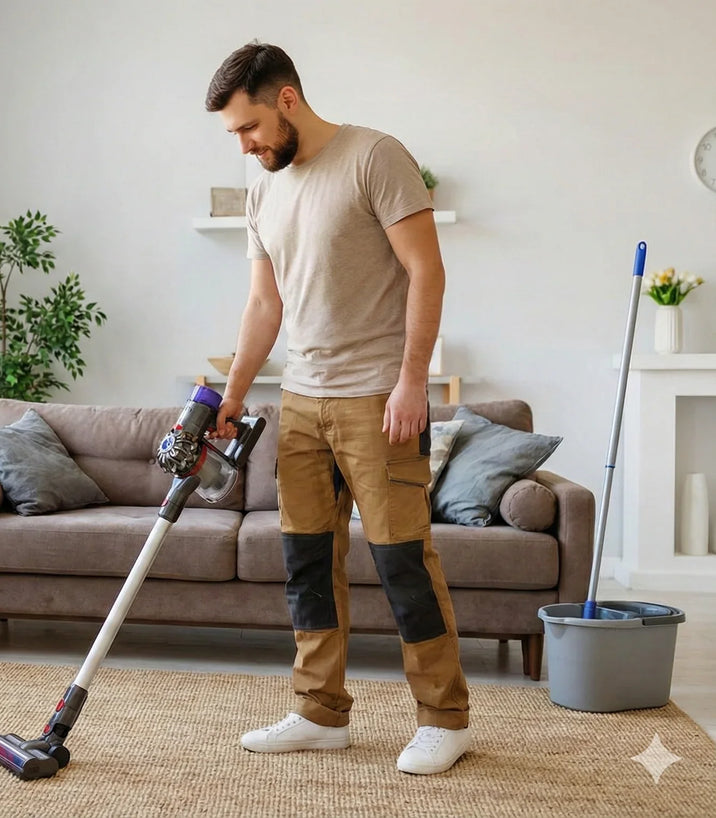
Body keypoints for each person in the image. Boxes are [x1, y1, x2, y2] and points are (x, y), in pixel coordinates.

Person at [204, 43, 471, 774]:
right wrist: (232, 397)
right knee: (307, 562)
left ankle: (445, 717)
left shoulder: (374, 157)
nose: (244, 143)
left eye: (248, 126)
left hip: (377, 399)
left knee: (402, 561)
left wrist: (412, 381)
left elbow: (427, 270)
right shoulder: (264, 187)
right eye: (233, 134)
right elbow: (265, 304)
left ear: (287, 99)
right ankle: (320, 711)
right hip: (301, 402)